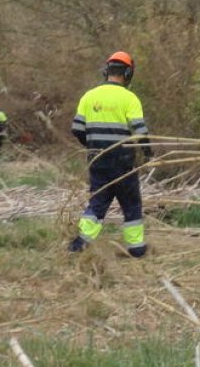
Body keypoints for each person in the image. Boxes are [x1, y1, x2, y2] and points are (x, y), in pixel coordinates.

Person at [68, 51, 153, 257]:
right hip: (123, 161)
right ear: (128, 73)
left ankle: (80, 243)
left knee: (98, 201)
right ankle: (136, 248)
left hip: (97, 160)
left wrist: (92, 146)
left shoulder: (89, 96)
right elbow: (140, 131)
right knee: (131, 203)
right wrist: (148, 152)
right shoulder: (130, 98)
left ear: (106, 71)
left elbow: (77, 129)